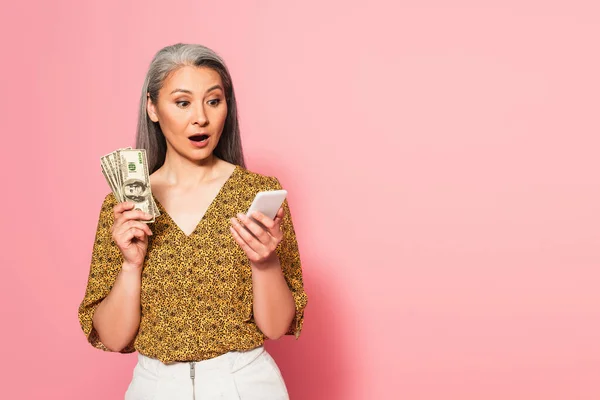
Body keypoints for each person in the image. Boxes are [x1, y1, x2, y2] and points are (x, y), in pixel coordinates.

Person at [78, 43, 308, 400]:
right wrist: (130, 264)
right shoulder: (125, 205)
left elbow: (276, 328)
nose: (200, 117)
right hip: (155, 386)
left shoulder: (258, 194)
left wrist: (265, 262)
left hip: (244, 383)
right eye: (182, 102)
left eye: (213, 101)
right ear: (152, 108)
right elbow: (112, 337)